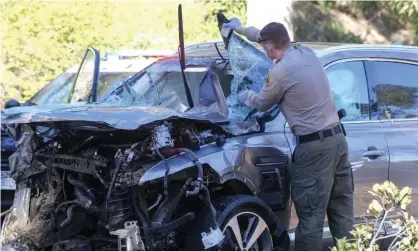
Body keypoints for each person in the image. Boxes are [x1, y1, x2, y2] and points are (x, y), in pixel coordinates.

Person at [222, 18, 355, 251]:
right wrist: (238, 28)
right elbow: (262, 37)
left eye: (265, 47)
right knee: (342, 216)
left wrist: (242, 95)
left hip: (314, 150)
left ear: (269, 48)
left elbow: (262, 104)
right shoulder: (307, 53)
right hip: (338, 142)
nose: (264, 49)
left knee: (311, 220)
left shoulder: (280, 72)